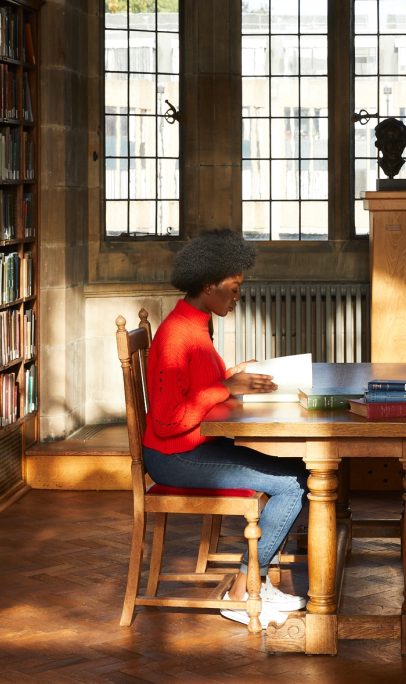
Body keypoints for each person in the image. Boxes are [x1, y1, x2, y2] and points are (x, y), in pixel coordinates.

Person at [141, 229, 308, 629]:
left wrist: (234, 374)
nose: (237, 297)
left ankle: (255, 579)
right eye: (233, 290)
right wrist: (225, 387)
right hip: (175, 457)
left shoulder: (194, 324)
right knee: (296, 482)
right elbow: (166, 422)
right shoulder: (176, 337)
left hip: (192, 448)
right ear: (207, 285)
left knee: (297, 470)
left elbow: (195, 387)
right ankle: (242, 591)